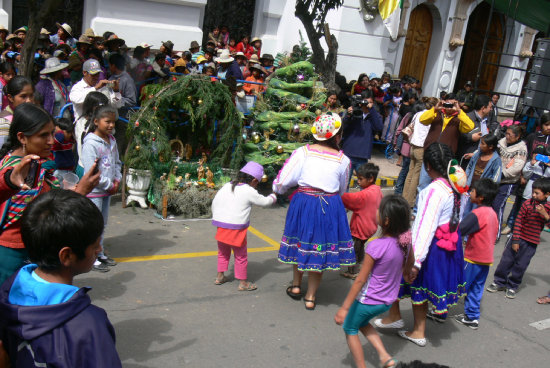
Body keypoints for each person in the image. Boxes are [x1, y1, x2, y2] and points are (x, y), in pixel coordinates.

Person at [0, 189, 122, 367]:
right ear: (66, 256)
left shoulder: (7, 293)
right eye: (95, 245)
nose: (99, 251)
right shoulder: (89, 325)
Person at [375, 143, 466, 347]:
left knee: (414, 283)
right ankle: (396, 317)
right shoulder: (456, 185)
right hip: (447, 245)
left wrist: (414, 261)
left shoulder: (433, 191)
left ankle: (417, 330)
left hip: (430, 246)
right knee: (415, 284)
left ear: (427, 166)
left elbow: (425, 228)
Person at [0, 103, 99, 283]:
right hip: (12, 253)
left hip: (32, 250)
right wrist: (79, 193)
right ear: (22, 137)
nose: (52, 141)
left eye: (53, 133)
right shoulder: (16, 169)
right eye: (44, 135)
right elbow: (46, 213)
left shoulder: (37, 165)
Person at [273, 113, 355, 310]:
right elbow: (342, 189)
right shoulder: (344, 160)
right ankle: (310, 296)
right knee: (319, 247)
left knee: (300, 242)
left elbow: (283, 181)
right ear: (337, 136)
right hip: (329, 204)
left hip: (304, 203)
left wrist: (277, 190)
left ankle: (295, 286)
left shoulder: (303, 152)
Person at [334, 195, 412, 368]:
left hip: (368, 300)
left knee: (350, 328)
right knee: (361, 323)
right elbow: (409, 265)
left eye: (379, 209)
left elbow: (360, 280)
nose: (375, 211)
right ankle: (385, 357)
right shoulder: (405, 242)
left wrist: (345, 308)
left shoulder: (376, 246)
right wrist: (408, 272)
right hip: (387, 301)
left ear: (385, 221)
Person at [211, 162, 277, 291]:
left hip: (221, 225)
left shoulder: (227, 186)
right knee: (240, 255)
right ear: (253, 180)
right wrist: (273, 196)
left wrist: (218, 218)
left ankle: (220, 277)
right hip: (236, 228)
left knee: (223, 253)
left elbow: (215, 202)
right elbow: (264, 202)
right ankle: (243, 283)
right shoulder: (249, 190)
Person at [487, 177, 550, 299]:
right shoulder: (527, 204)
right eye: (533, 192)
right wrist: (515, 240)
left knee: (521, 265)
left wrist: (545, 215)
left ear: (547, 194)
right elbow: (518, 222)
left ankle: (512, 285)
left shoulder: (547, 208)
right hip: (519, 238)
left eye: (537, 193)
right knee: (506, 261)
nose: (534, 195)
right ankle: (499, 281)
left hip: (531, 242)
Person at [81, 105, 121, 272]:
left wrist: (117, 180)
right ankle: (91, 257)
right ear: (96, 121)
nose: (111, 125)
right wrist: (109, 184)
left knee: (102, 224)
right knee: (93, 225)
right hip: (95, 192)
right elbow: (92, 171)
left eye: (113, 122)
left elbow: (117, 162)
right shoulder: (90, 144)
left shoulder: (112, 141)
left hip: (108, 190)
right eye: (107, 122)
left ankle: (100, 252)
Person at [455, 178, 499, 329]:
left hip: (473, 258)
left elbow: (460, 230)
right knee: (476, 288)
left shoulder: (478, 213)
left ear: (480, 197)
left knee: (458, 284)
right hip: (486, 259)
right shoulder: (493, 213)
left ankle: (440, 311)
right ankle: (472, 317)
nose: (470, 193)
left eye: (472, 191)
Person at [341, 163, 382, 278]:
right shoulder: (377, 190)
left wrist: (336, 193)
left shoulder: (364, 194)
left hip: (360, 228)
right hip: (371, 227)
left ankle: (354, 271)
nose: (358, 181)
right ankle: (362, 266)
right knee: (360, 248)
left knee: (354, 250)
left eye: (360, 179)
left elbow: (349, 198)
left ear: (370, 179)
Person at [341, 91, 384, 183]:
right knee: (344, 183)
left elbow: (378, 127)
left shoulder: (375, 116)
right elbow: (343, 127)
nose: (367, 104)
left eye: (370, 102)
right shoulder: (354, 113)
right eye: (365, 102)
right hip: (348, 153)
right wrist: (348, 115)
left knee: (364, 184)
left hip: (362, 155)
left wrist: (372, 111)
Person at [492, 125, 527, 234]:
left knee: (498, 206)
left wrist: (502, 174)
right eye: (506, 133)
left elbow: (517, 167)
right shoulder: (502, 141)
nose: (506, 136)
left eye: (509, 134)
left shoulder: (521, 149)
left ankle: (495, 233)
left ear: (517, 136)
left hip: (508, 181)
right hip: (495, 178)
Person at [402, 98, 436, 207]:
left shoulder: (417, 114)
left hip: (413, 146)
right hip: (422, 147)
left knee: (410, 173)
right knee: (416, 175)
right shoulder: (431, 117)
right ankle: (410, 201)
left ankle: (404, 197)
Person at [461, 134, 501, 219]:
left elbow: (496, 179)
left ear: (490, 147)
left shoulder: (496, 160)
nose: (480, 145)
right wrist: (465, 179)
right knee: (465, 212)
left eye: (483, 144)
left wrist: (485, 190)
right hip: (470, 189)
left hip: (480, 194)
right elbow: (470, 167)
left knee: (474, 215)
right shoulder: (477, 154)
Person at [74, 92, 109, 177]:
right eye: (101, 107)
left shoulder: (80, 121)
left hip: (90, 167)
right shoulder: (83, 124)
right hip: (89, 169)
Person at [459, 95, 493, 169]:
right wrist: (470, 137)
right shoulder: (468, 118)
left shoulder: (486, 120)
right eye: (490, 107)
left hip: (478, 158)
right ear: (483, 108)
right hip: (465, 159)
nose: (491, 109)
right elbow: (458, 135)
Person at [0, 76, 34, 147]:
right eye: (23, 96)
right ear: (10, 98)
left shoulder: (29, 116)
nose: (29, 100)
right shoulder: (5, 123)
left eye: (31, 95)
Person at [108, 53, 137, 117]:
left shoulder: (127, 80)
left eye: (109, 65)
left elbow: (132, 101)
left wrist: (116, 100)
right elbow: (108, 92)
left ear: (113, 66)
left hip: (122, 116)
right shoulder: (111, 78)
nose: (109, 67)